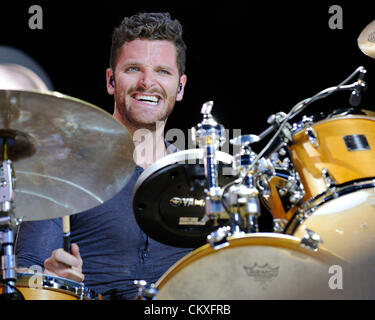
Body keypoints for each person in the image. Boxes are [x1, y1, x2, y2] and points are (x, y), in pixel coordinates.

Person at [15, 12, 192, 300]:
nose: (148, 82)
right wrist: (49, 278)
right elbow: (27, 276)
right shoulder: (64, 170)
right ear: (111, 81)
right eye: (133, 69)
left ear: (180, 86)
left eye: (162, 71)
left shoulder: (199, 180)